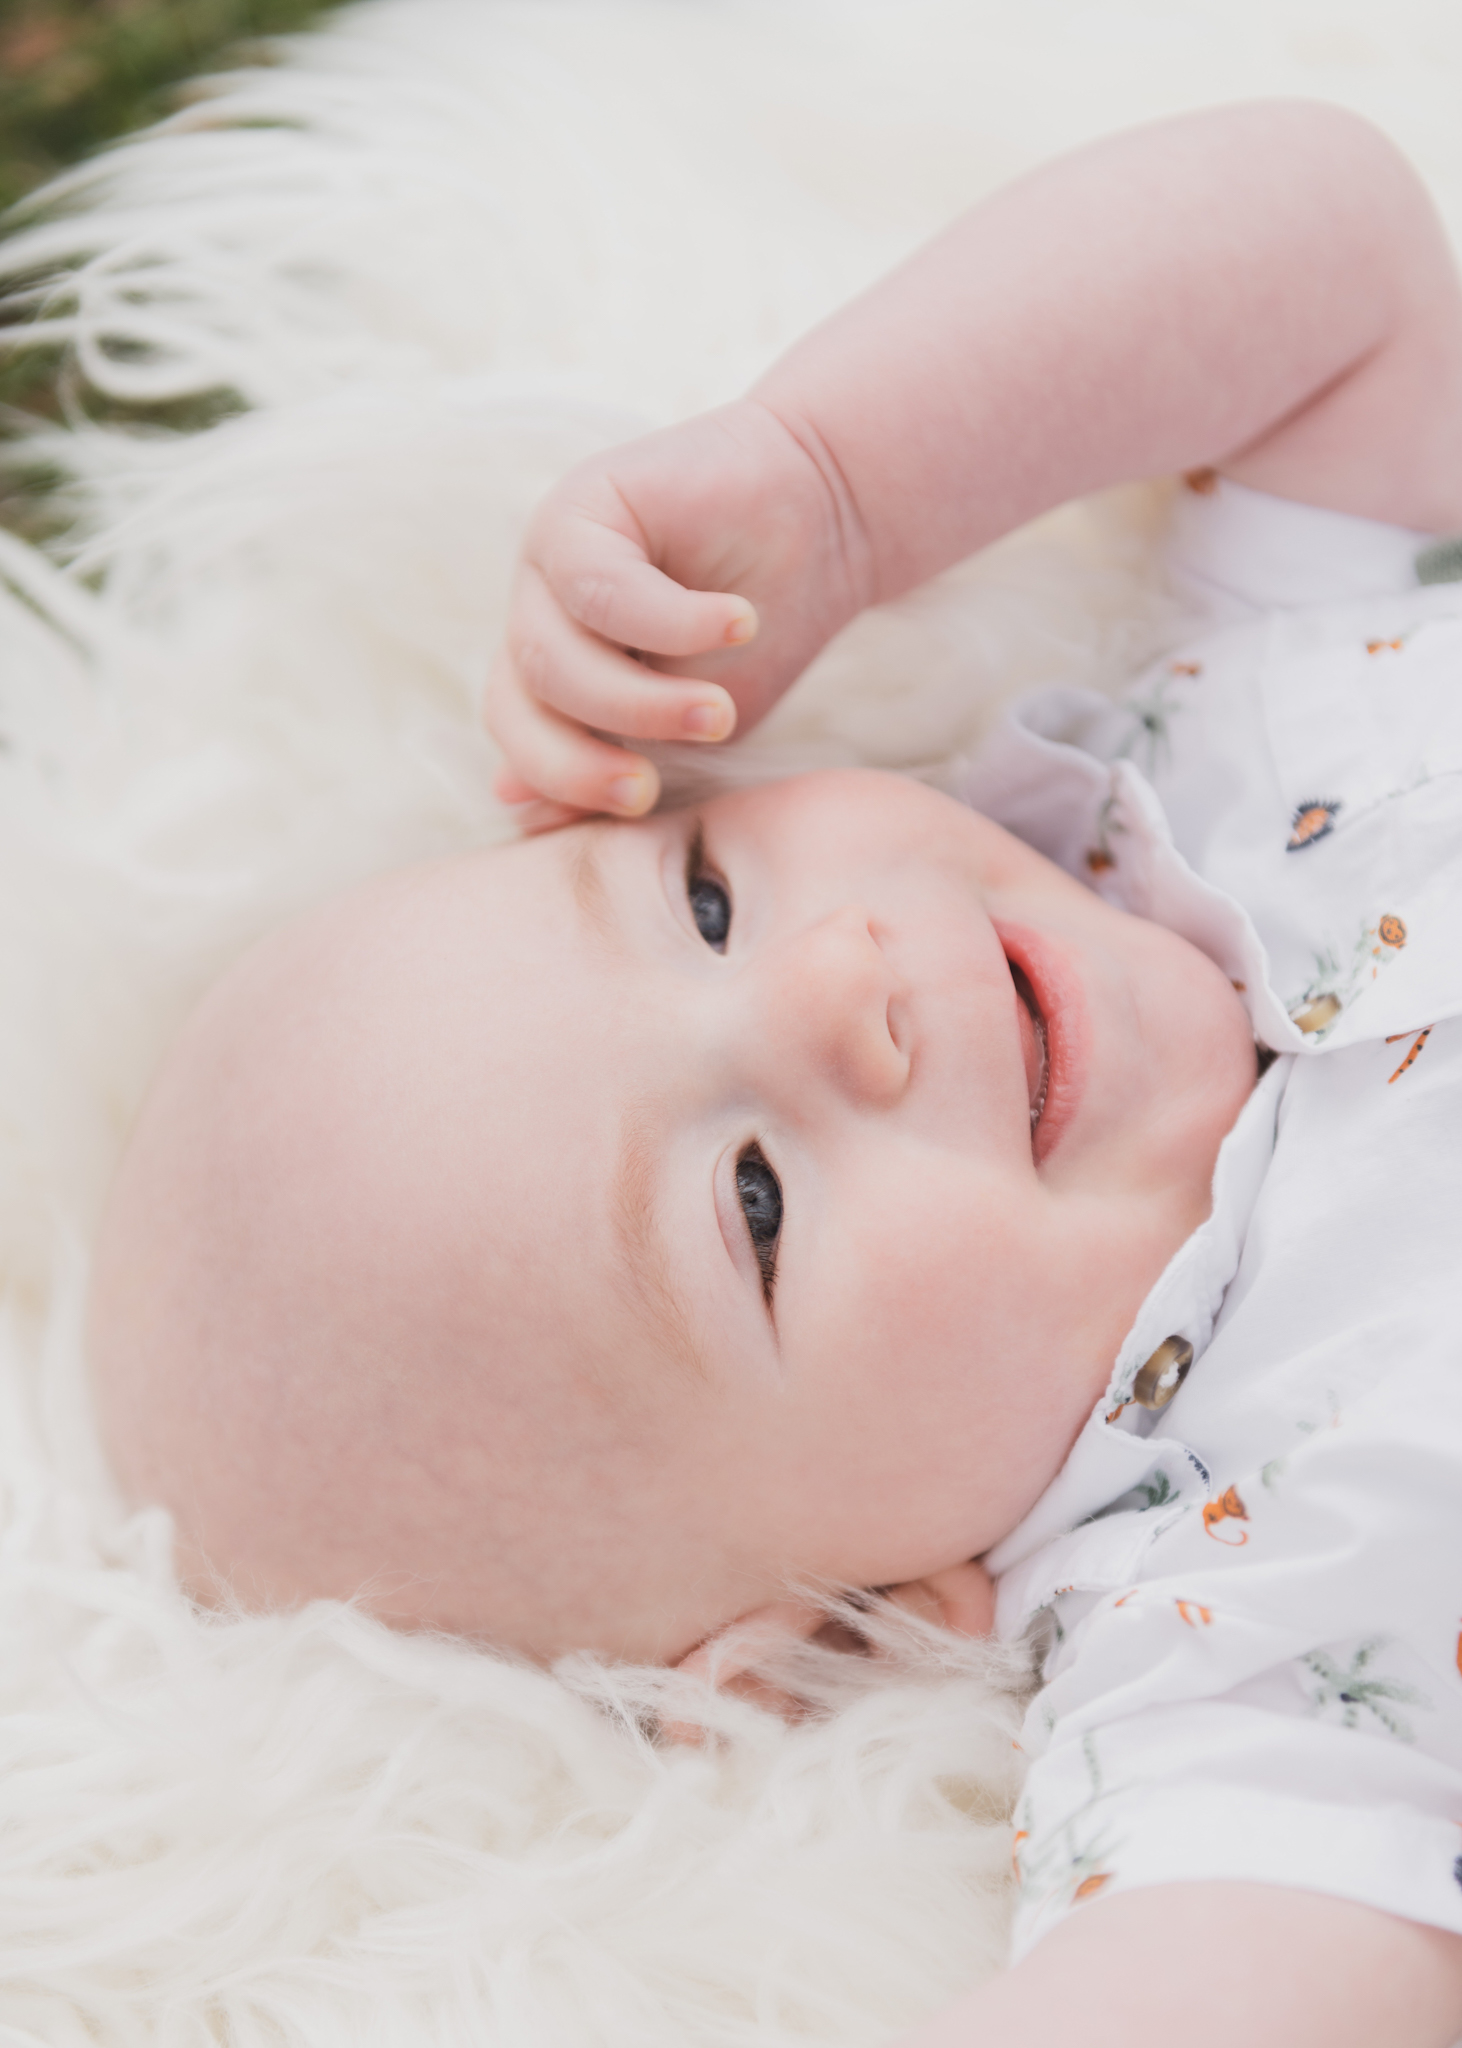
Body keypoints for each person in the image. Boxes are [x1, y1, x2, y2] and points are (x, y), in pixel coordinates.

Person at [90, 99, 1462, 2047]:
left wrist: (835, 481)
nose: (836, 990)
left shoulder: (1236, 695)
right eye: (748, 1202)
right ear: (829, 1626)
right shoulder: (1235, 1652)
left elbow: (1333, 247)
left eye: (707, 896)